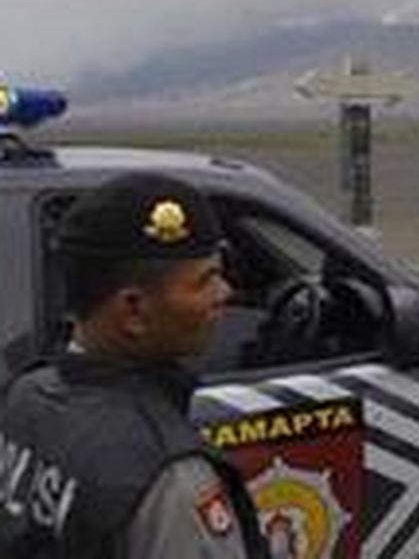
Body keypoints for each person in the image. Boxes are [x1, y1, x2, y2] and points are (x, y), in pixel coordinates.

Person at [0, 172, 266, 558]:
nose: (224, 294)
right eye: (205, 281)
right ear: (134, 311)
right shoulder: (168, 479)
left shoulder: (27, 395)